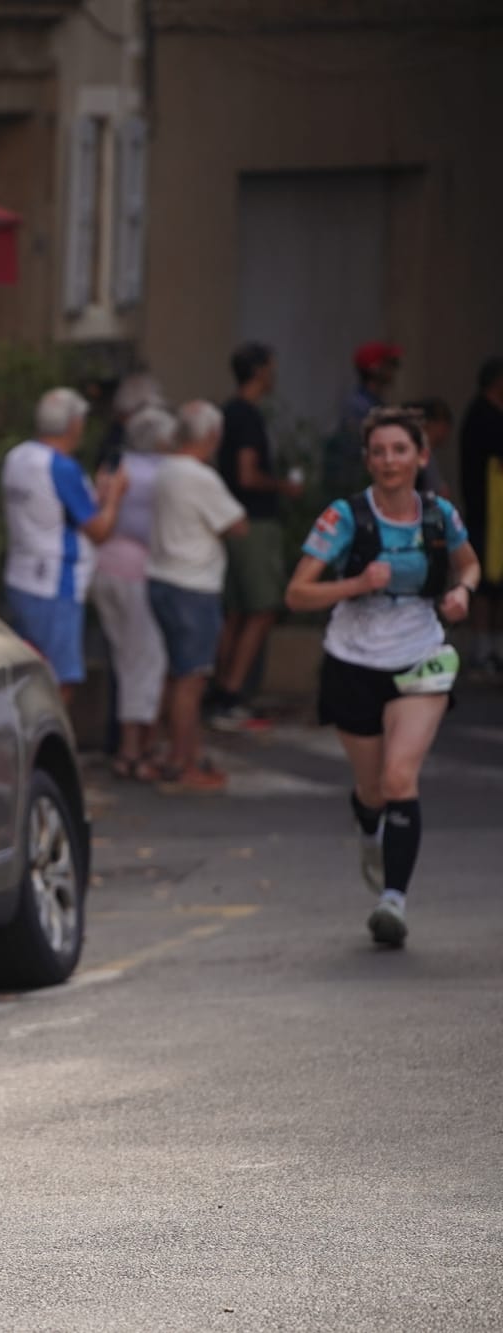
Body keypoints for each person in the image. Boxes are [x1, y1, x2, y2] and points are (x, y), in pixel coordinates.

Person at [285, 405, 479, 947]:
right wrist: (357, 584)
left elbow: (469, 564)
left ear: (421, 455)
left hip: (420, 652)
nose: (390, 460)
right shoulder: (345, 517)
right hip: (353, 657)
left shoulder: (440, 515)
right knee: (372, 790)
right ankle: (371, 829)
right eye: (379, 452)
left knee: (399, 779)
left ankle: (393, 901)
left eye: (400, 450)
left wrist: (462, 592)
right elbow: (297, 594)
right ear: (368, 461)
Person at [146, 401, 248, 794]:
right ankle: (185, 764)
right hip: (193, 584)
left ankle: (171, 753)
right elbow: (237, 524)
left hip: (161, 580)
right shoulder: (199, 476)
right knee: (192, 679)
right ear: (212, 436)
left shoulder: (164, 469)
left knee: (175, 673)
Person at [2, 386, 128, 702]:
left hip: (21, 575)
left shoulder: (17, 457)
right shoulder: (61, 467)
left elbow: (52, 511)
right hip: (56, 582)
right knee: (58, 679)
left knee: (29, 674)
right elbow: (98, 530)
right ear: (74, 424)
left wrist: (93, 496)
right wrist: (114, 498)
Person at [209, 342, 302, 733]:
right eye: (272, 366)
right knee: (261, 607)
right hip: (253, 521)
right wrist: (283, 486)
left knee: (235, 609)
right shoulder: (245, 415)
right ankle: (231, 692)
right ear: (260, 370)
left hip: (233, 518)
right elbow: (247, 474)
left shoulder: (229, 412)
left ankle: (220, 687)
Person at [89, 405, 173, 780]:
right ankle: (137, 751)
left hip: (103, 567)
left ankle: (128, 747)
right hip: (137, 572)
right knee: (148, 660)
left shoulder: (114, 467)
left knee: (126, 659)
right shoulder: (160, 474)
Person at [458, 357, 503, 675]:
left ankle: (494, 648)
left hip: (496, 514)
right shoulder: (481, 416)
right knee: (484, 581)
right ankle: (482, 648)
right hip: (486, 513)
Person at [328, 341, 401, 497]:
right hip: (357, 487)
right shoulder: (357, 407)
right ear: (374, 368)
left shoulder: (377, 405)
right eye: (390, 364)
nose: (394, 371)